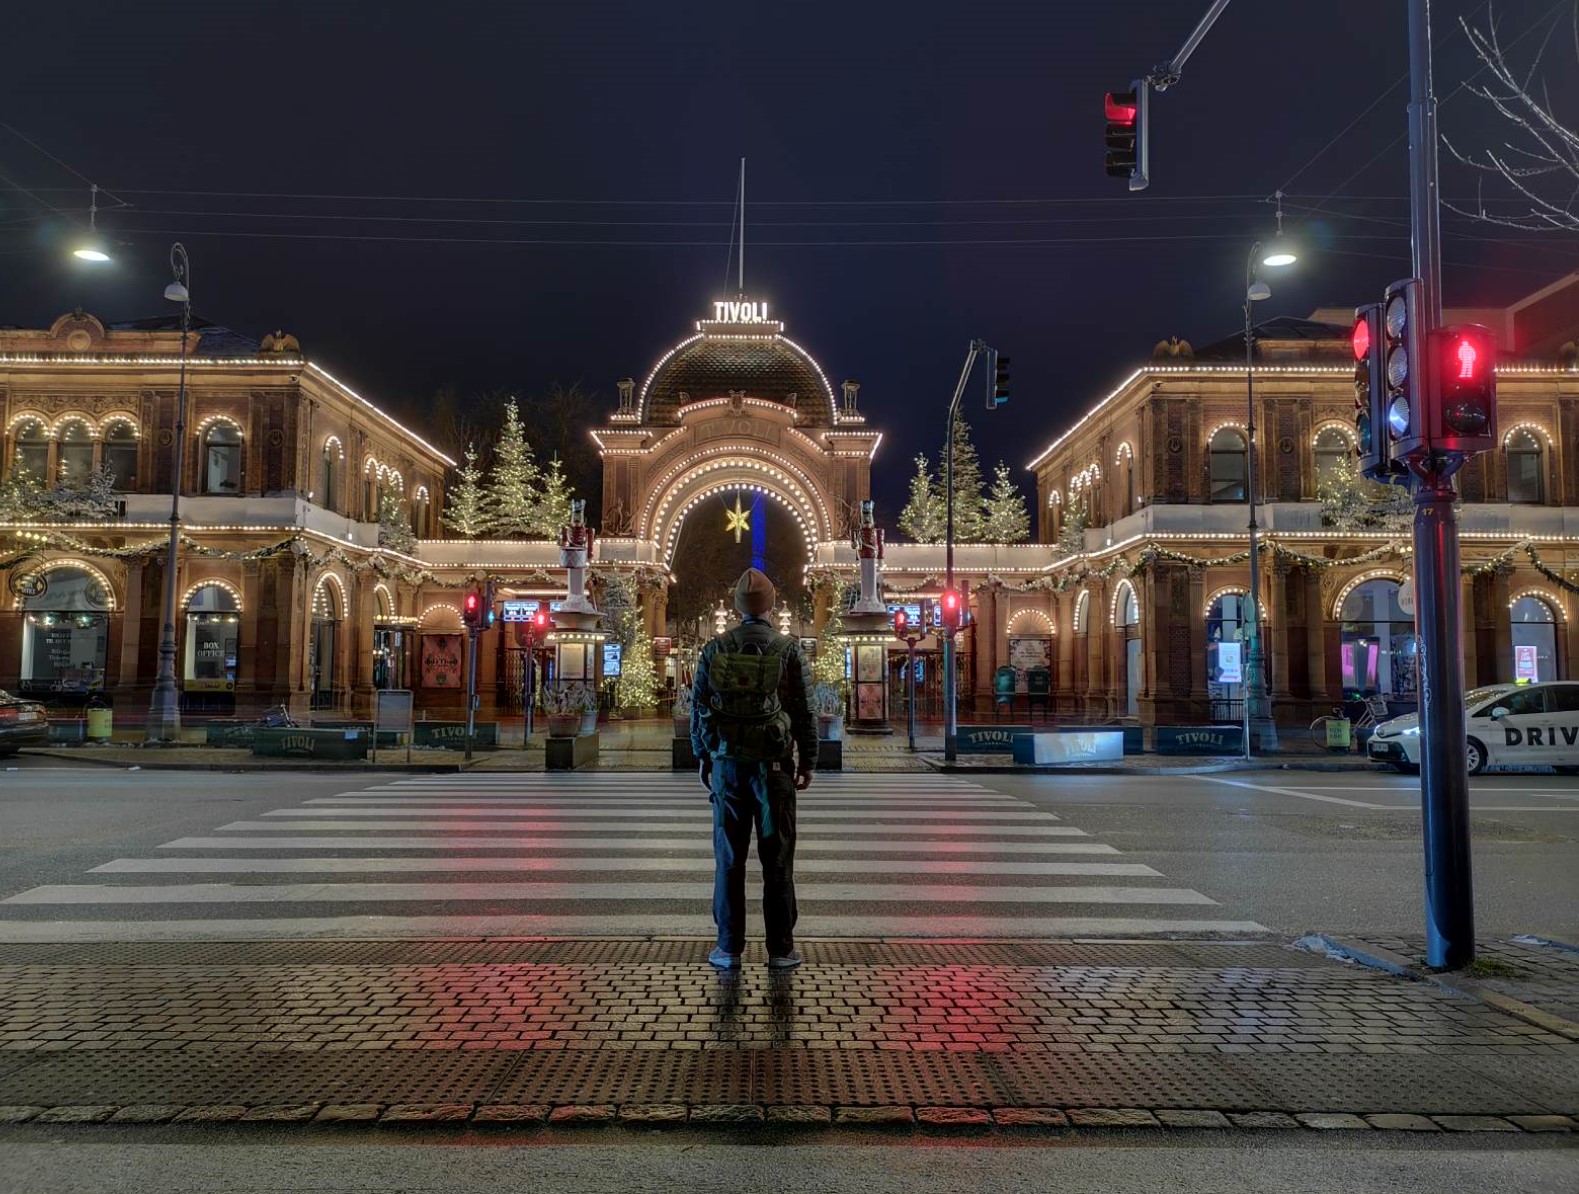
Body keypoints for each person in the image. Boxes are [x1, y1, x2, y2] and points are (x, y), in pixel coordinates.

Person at [691, 567, 818, 970]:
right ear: (772, 605)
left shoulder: (715, 649)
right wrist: (808, 760)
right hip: (775, 769)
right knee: (777, 858)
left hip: (728, 766)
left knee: (729, 858)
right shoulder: (788, 649)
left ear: (736, 607)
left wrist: (704, 757)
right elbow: (804, 711)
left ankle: (728, 948)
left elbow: (698, 709)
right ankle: (780, 949)